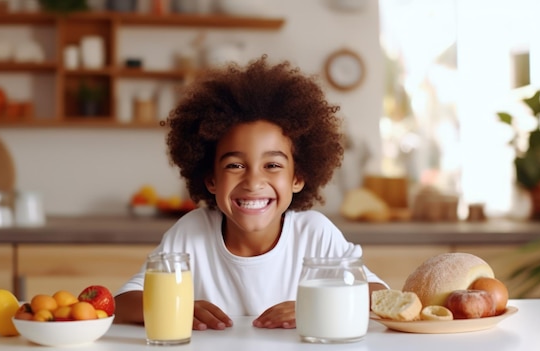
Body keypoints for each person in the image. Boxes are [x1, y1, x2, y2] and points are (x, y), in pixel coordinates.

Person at [114, 55, 388, 330]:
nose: (254, 181)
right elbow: (124, 302)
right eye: (235, 165)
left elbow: (379, 296)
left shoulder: (315, 235)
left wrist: (317, 303)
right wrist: (177, 307)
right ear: (211, 179)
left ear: (298, 177)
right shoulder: (191, 234)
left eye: (272, 165)